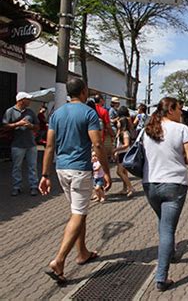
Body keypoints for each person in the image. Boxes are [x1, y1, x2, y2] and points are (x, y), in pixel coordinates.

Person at [39, 78, 111, 284]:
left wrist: (45, 175)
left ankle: (83, 253)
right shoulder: (89, 113)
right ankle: (59, 260)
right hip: (80, 170)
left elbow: (49, 146)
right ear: (84, 91)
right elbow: (97, 144)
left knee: (78, 212)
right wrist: (106, 171)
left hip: (61, 169)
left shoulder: (57, 114)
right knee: (78, 214)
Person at [142, 97, 188, 291]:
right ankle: (161, 278)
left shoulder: (146, 130)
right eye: (179, 109)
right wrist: (176, 158)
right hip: (174, 184)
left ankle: (171, 253)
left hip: (150, 184)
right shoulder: (182, 129)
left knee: (163, 223)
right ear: (171, 109)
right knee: (167, 229)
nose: (181, 112)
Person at [2, 92, 40, 196]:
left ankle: (34, 186)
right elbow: (4, 126)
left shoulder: (30, 112)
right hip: (17, 144)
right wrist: (17, 124)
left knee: (33, 166)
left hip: (31, 144)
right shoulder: (10, 111)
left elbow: (37, 126)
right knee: (16, 166)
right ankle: (16, 187)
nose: (30, 101)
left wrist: (30, 126)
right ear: (21, 100)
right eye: (27, 99)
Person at [112, 115, 134, 197]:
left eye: (118, 122)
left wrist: (116, 150)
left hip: (125, 154)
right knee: (124, 172)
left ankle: (131, 187)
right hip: (121, 154)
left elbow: (126, 144)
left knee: (119, 172)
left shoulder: (125, 133)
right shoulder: (120, 131)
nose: (117, 123)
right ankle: (125, 188)